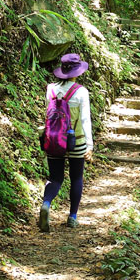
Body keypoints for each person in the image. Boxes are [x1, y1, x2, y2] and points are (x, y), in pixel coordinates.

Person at [38, 53, 93, 232]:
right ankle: (72, 217)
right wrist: (90, 145)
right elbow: (85, 120)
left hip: (54, 140)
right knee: (76, 177)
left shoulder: (50, 89)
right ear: (77, 72)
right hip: (76, 141)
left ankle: (46, 204)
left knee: (55, 177)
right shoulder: (81, 92)